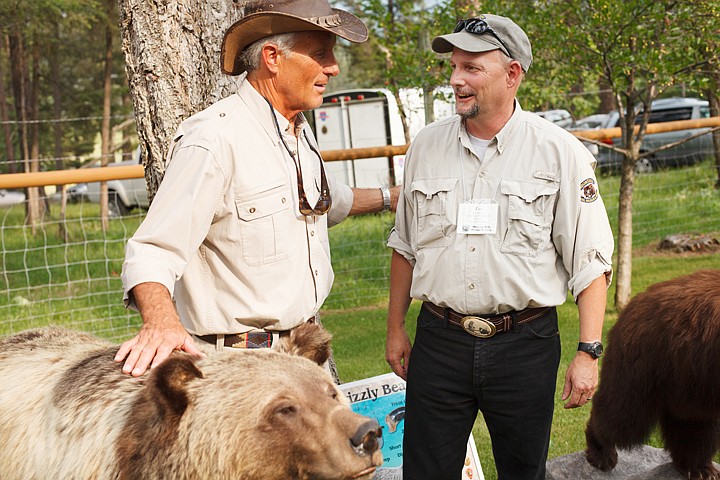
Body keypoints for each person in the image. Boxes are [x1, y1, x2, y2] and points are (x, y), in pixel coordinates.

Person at [115, 0, 399, 377]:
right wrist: (161, 323)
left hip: (306, 353)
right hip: (241, 369)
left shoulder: (298, 130)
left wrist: (393, 198)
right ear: (272, 57)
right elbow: (153, 250)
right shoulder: (215, 140)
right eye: (321, 54)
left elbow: (321, 202)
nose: (334, 67)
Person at [385, 14, 614, 480]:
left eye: (471, 68)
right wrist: (394, 328)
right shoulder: (425, 147)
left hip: (525, 345)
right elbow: (404, 245)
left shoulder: (559, 152)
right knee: (424, 472)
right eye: (453, 67)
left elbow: (590, 261)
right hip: (439, 341)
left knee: (522, 471)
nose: (455, 79)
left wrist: (588, 351)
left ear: (512, 74)